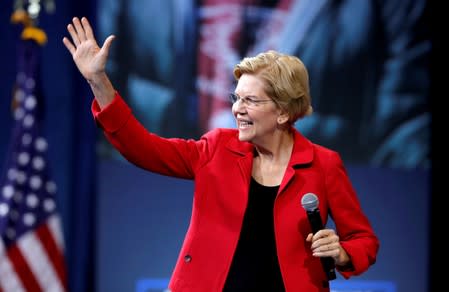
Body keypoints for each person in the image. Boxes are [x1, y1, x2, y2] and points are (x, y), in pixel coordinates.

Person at [63, 17, 379, 292]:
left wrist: (342, 253)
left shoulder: (323, 164)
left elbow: (363, 239)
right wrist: (98, 81)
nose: (236, 109)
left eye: (251, 101)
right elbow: (142, 148)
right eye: (236, 97)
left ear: (283, 112)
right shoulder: (217, 148)